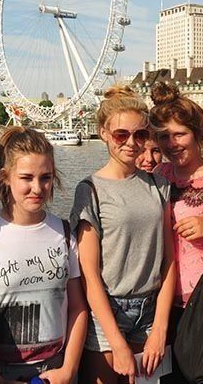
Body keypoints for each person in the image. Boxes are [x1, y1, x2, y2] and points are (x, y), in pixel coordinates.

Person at [70, 85, 176, 384]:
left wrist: (160, 329)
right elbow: (89, 274)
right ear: (103, 133)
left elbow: (167, 261)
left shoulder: (159, 185)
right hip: (108, 310)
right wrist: (116, 342)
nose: (131, 143)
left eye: (140, 135)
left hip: (150, 308)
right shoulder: (89, 190)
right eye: (121, 135)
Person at [147, 81, 203, 382]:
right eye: (164, 137)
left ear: (198, 134)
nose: (172, 143)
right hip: (160, 303)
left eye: (179, 134)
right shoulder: (157, 177)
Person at [0, 127, 87, 383]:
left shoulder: (63, 232)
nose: (37, 188)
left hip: (55, 366)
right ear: (6, 177)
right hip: (0, 368)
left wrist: (69, 369)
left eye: (45, 177)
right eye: (26, 178)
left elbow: (78, 308)